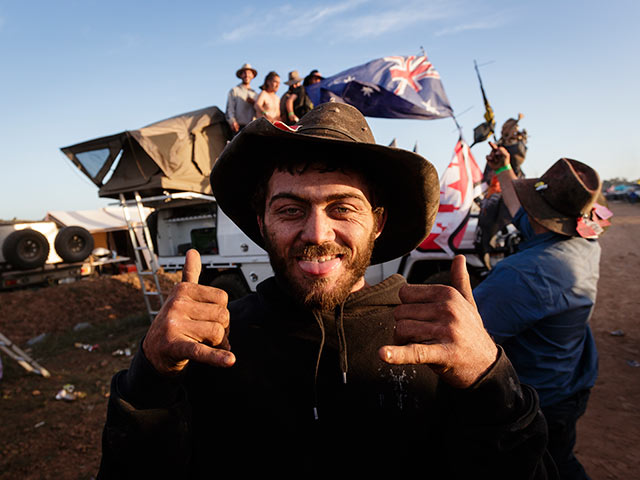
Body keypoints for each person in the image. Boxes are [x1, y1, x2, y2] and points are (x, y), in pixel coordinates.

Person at [97, 104, 557, 478]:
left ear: (377, 221)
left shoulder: (437, 344)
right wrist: (150, 377)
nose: (317, 232)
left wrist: (490, 380)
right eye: (291, 209)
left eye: (342, 207)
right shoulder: (210, 347)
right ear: (261, 223)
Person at [474, 143, 608, 480]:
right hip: (570, 383)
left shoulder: (525, 273)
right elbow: (521, 207)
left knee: (545, 467)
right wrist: (504, 168)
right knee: (559, 459)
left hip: (540, 401)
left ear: (540, 216)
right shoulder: (584, 241)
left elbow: (468, 335)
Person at [225, 63, 258, 134]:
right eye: (244, 73)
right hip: (238, 127)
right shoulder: (234, 91)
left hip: (252, 128)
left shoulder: (255, 94)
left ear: (252, 75)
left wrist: (254, 103)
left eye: (249, 73)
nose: (246, 75)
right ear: (241, 75)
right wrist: (232, 122)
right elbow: (229, 109)